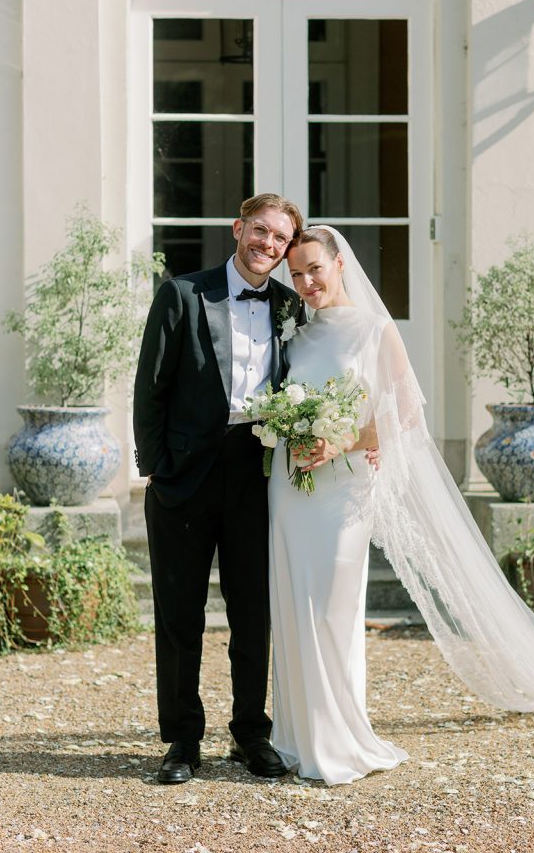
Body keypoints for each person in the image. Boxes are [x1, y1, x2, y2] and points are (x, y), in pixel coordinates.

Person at [267, 225, 534, 787]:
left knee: (332, 612)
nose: (306, 281)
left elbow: (406, 416)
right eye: (297, 273)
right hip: (291, 489)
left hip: (344, 491)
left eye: (315, 268)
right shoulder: (297, 337)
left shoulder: (376, 331)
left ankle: (337, 738)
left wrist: (343, 441)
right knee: (291, 607)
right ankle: (294, 737)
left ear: (340, 265)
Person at [133, 193, 305, 784]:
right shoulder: (183, 293)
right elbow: (149, 386)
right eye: (260, 230)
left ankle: (251, 734)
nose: (268, 244)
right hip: (183, 474)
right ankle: (182, 740)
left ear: (286, 250)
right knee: (179, 612)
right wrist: (154, 466)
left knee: (252, 610)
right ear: (238, 228)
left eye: (280, 239)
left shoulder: (288, 306)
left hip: (256, 474)